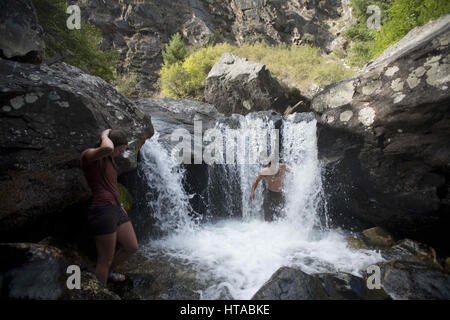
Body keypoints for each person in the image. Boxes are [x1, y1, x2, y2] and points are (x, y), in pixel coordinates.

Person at [80, 129, 138, 285]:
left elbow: (112, 186)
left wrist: (121, 206)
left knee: (132, 246)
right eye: (120, 149)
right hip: (102, 210)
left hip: (116, 209)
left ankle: (108, 273)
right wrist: (104, 135)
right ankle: (100, 290)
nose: (121, 152)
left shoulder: (110, 160)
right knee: (105, 259)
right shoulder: (90, 156)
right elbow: (107, 148)